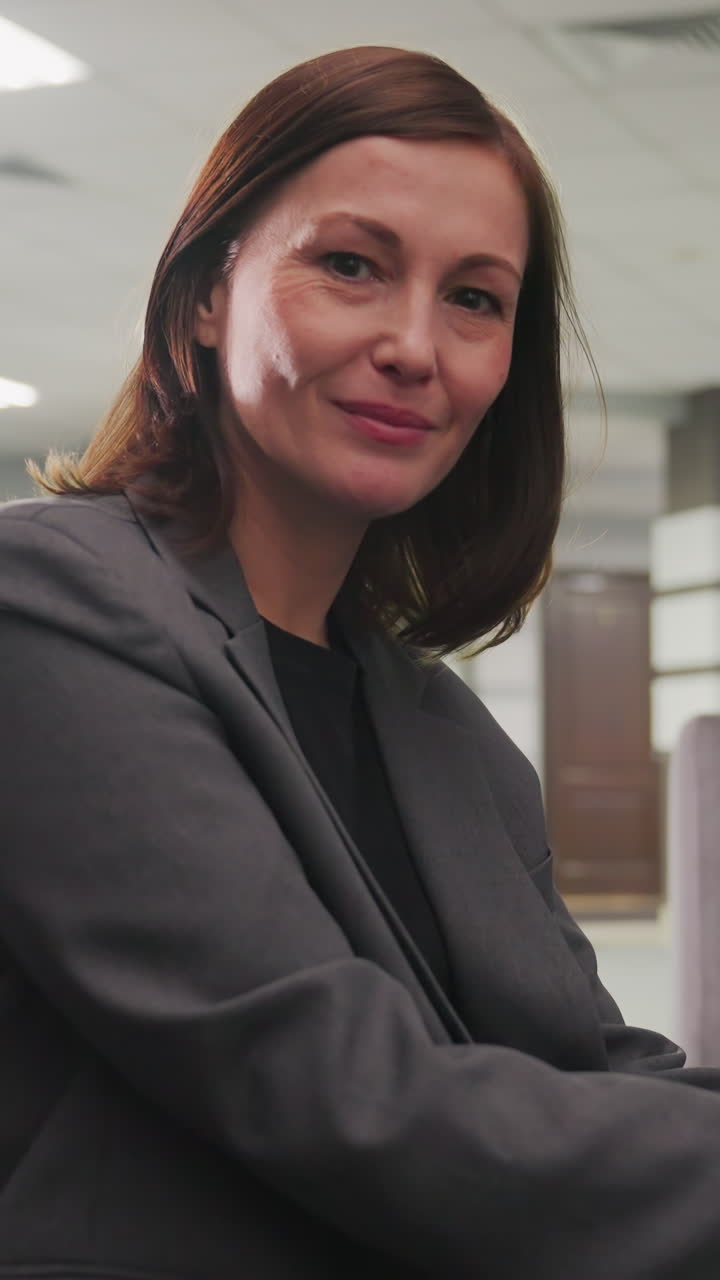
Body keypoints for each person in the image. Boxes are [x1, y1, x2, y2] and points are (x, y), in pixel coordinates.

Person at [0, 44, 719, 1280]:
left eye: (476, 298)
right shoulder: (51, 598)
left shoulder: (451, 732)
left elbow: (589, 1064)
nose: (414, 345)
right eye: (351, 265)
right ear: (210, 290)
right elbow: (337, 1090)